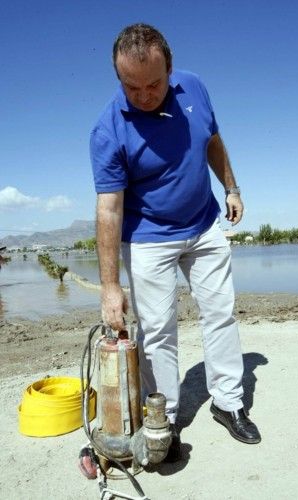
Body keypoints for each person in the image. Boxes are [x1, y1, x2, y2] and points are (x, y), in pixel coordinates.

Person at [90, 23, 261, 462]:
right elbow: (109, 210)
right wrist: (111, 288)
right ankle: (161, 421)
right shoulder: (108, 129)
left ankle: (229, 403)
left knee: (221, 314)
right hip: (148, 238)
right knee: (157, 333)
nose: (145, 96)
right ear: (118, 77)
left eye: (155, 84)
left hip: (204, 225)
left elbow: (213, 140)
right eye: (132, 87)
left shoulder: (195, 87)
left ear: (170, 67)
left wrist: (232, 188)